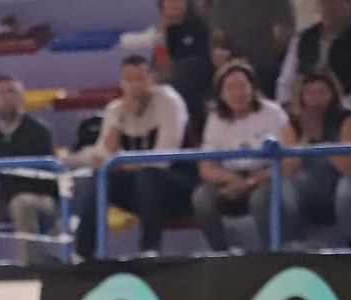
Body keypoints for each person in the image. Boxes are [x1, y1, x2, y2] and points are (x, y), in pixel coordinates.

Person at [74, 55, 195, 259]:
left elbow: (163, 158)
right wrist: (118, 121)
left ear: (152, 78)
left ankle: (149, 250)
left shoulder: (169, 102)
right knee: (99, 179)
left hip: (178, 182)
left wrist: (121, 163)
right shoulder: (115, 109)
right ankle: (83, 254)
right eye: (128, 80)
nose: (135, 86)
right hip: (137, 187)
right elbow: (103, 157)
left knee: (149, 176)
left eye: (140, 79)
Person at [282, 70, 351, 244]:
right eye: (310, 93)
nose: (316, 99)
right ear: (301, 97)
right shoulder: (293, 124)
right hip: (320, 186)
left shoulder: (348, 118)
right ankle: (293, 246)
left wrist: (321, 140)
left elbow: (349, 168)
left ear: (333, 94)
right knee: (284, 188)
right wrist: (306, 138)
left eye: (322, 92)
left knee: (347, 188)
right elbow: (288, 169)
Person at [192, 62, 290, 252]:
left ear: (252, 88)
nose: (237, 93)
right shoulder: (215, 119)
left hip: (266, 176)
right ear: (221, 93)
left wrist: (250, 182)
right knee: (202, 198)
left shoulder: (273, 113)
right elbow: (206, 166)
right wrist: (232, 180)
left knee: (260, 200)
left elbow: (290, 161)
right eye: (230, 88)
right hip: (230, 177)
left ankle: (272, 253)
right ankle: (220, 254)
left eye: (242, 86)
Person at [0, 75, 60, 264]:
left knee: (21, 202)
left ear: (21, 98)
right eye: (1, 93)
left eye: (11, 92)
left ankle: (29, 267)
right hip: (4, 199)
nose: (6, 97)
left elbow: (46, 179)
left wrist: (3, 194)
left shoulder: (39, 131)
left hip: (41, 199)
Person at [276, 0, 351, 113]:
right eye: (323, 3)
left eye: (334, 3)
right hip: (304, 111)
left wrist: (341, 109)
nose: (328, 8)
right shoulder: (303, 38)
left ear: (350, 5)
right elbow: (286, 80)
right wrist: (287, 105)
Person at [208, 0, 295, 97]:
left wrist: (250, 62)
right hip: (233, 61)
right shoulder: (222, 3)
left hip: (267, 64)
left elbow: (283, 38)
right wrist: (221, 54)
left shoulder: (278, 3)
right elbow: (218, 37)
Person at [158, 0, 216, 139]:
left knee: (187, 69)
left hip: (201, 82)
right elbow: (161, 65)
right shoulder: (159, 35)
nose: (174, 3)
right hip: (172, 84)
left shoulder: (200, 27)